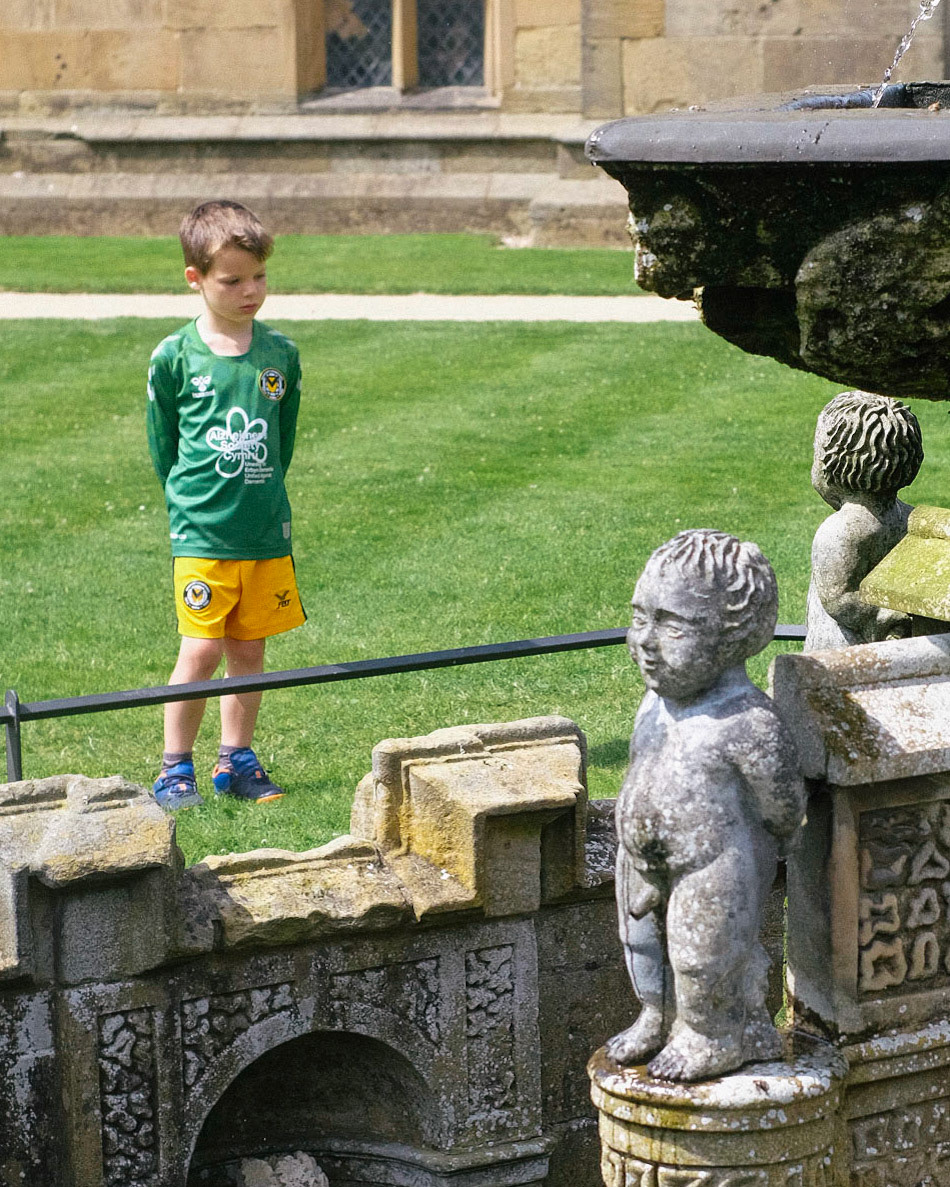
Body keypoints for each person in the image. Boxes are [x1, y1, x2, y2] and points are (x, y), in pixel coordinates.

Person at [608, 529, 804, 1082]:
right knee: (642, 949)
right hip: (640, 859)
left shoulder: (748, 724)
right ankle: (657, 1013)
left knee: (702, 957)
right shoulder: (654, 704)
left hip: (714, 864)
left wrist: (767, 850)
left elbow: (784, 806)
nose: (646, 639)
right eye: (639, 617)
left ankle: (714, 1035)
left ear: (735, 634)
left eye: (671, 624)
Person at [146, 199, 305, 810]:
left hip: (264, 531)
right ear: (196, 279)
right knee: (202, 647)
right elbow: (165, 446)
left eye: (259, 276)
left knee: (249, 646)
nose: (251, 291)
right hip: (201, 533)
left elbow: (281, 439)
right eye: (232, 280)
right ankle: (174, 767)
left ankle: (236, 760)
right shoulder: (175, 357)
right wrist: (192, 504)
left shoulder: (280, 355)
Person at [805, 390, 923, 652]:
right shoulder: (909, 518)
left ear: (831, 462)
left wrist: (885, 617)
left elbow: (839, 598)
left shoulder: (840, 532)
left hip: (843, 649)